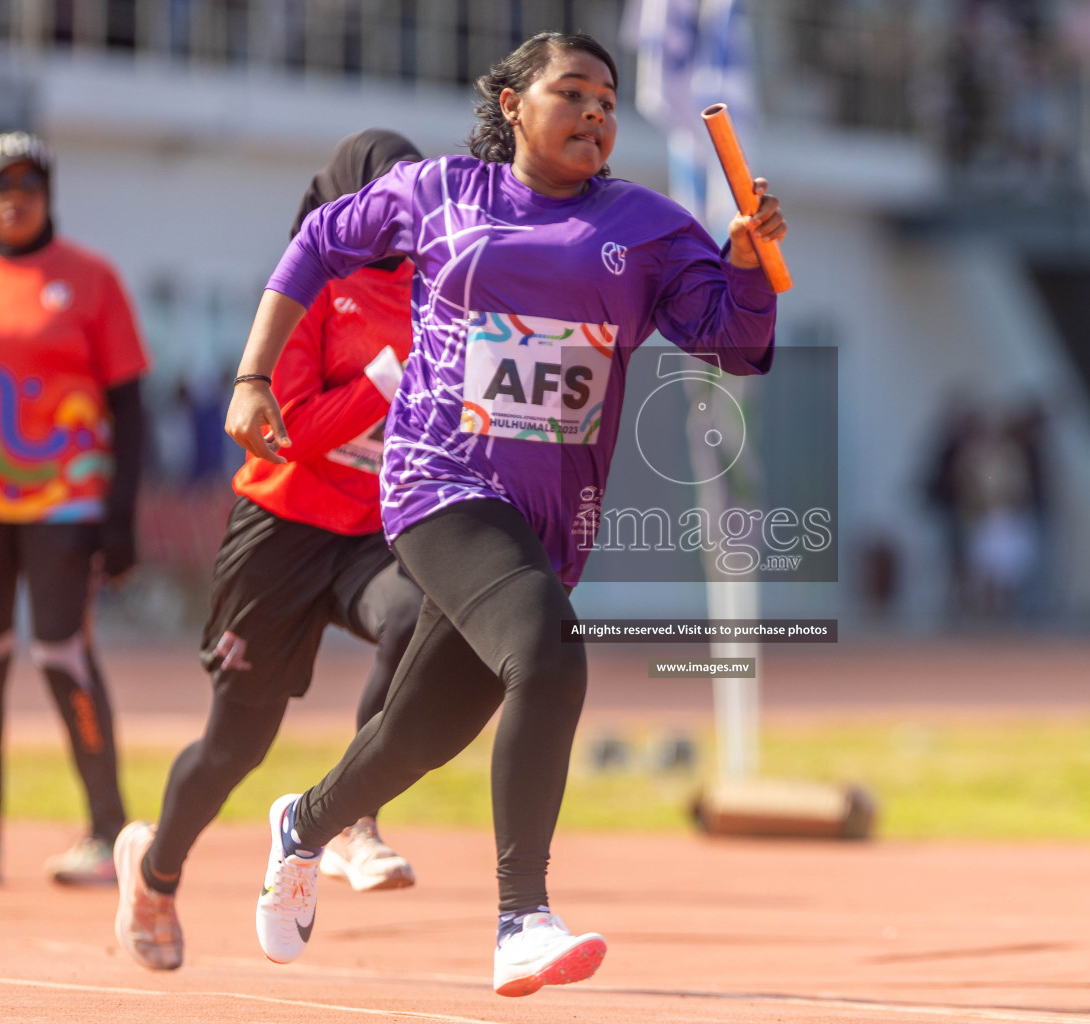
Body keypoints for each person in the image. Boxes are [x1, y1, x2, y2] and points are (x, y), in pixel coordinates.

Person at [223, 32, 785, 997]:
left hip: (549, 518)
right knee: (550, 651)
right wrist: (253, 374)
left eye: (609, 101)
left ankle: (302, 827)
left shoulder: (649, 228)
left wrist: (746, 264)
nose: (596, 113)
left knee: (420, 733)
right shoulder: (440, 192)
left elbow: (734, 345)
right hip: (439, 482)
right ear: (514, 105)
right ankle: (522, 915)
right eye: (572, 93)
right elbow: (316, 242)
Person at [111, 130, 428, 971]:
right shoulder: (310, 282)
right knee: (234, 749)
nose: (399, 215)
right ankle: (154, 868)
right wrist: (384, 383)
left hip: (370, 533)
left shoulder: (438, 290)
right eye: (383, 194)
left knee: (425, 618)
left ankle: (354, 820)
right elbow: (282, 435)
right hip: (279, 534)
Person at [0, 131, 148, 885]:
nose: (14, 199)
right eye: (0, 187)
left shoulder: (91, 280)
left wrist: (121, 521)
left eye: (28, 184)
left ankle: (106, 828)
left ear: (48, 193)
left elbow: (130, 406)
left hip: (67, 498)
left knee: (62, 652)